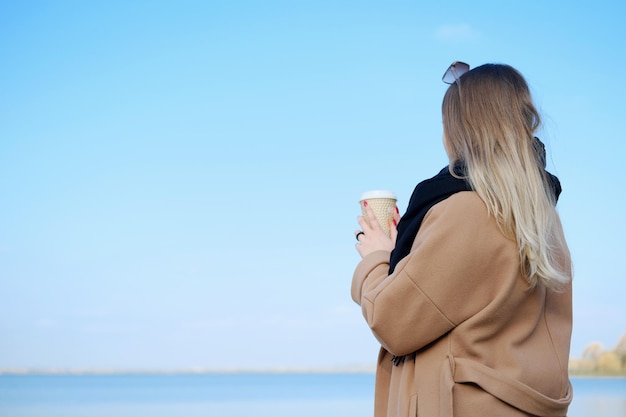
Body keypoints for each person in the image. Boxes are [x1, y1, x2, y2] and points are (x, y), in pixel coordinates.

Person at [351, 62, 573, 417]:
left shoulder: (467, 209)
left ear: (459, 131)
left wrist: (376, 258)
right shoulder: (542, 215)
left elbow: (393, 321)